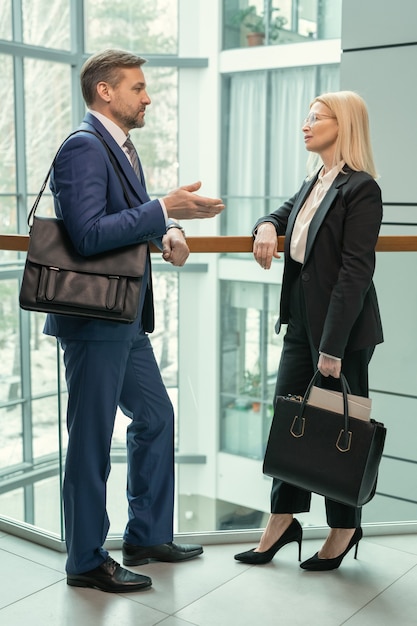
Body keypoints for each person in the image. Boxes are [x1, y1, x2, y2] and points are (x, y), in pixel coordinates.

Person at [43, 49, 224, 593]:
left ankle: (144, 535)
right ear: (105, 91)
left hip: (123, 318)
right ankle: (84, 560)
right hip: (94, 321)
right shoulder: (83, 146)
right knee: (92, 441)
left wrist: (164, 231)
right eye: (138, 88)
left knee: (156, 418)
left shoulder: (120, 148)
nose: (148, 98)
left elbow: (125, 218)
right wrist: (164, 209)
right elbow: (88, 234)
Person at [234, 91, 383, 571]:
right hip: (300, 321)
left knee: (341, 426)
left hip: (341, 330)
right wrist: (263, 226)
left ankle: (344, 526)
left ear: (344, 126)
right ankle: (282, 520)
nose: (305, 124)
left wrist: (333, 348)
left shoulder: (361, 189)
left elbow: (355, 274)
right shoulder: (315, 180)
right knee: (290, 422)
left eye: (315, 118)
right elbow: (283, 217)